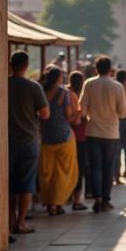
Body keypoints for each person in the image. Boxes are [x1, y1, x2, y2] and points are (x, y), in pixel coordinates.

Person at [8, 50, 50, 235]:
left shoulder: (3, 84)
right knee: (25, 183)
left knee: (8, 183)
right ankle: (21, 222)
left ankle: (8, 223)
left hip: (6, 140)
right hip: (28, 140)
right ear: (26, 65)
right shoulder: (33, 87)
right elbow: (45, 114)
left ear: (11, 64)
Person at [80, 55, 126, 212]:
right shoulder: (117, 87)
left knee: (95, 167)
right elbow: (123, 113)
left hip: (92, 131)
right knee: (108, 168)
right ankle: (105, 200)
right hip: (111, 133)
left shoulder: (89, 84)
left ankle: (97, 198)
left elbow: (82, 109)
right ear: (110, 69)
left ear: (96, 69)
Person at [38, 66, 79, 215]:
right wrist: (78, 114)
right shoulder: (64, 93)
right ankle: (57, 203)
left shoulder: (41, 91)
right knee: (64, 171)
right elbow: (68, 117)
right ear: (59, 78)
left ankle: (49, 204)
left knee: (47, 172)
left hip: (46, 137)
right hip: (64, 136)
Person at [67, 70, 89, 209]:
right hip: (80, 135)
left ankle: (67, 194)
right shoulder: (77, 96)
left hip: (67, 136)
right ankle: (77, 199)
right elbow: (77, 119)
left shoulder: (66, 93)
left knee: (68, 167)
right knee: (79, 167)